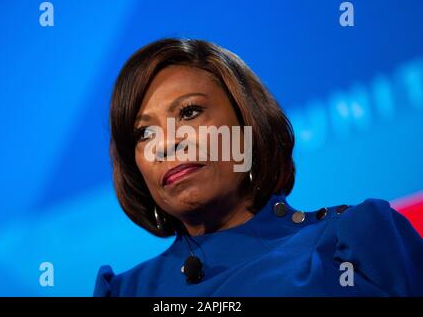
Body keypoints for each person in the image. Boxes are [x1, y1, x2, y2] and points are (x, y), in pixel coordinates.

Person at [93, 38, 423, 296]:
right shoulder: (126, 291)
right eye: (143, 133)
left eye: (190, 112)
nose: (166, 144)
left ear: (248, 121)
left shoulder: (351, 246)